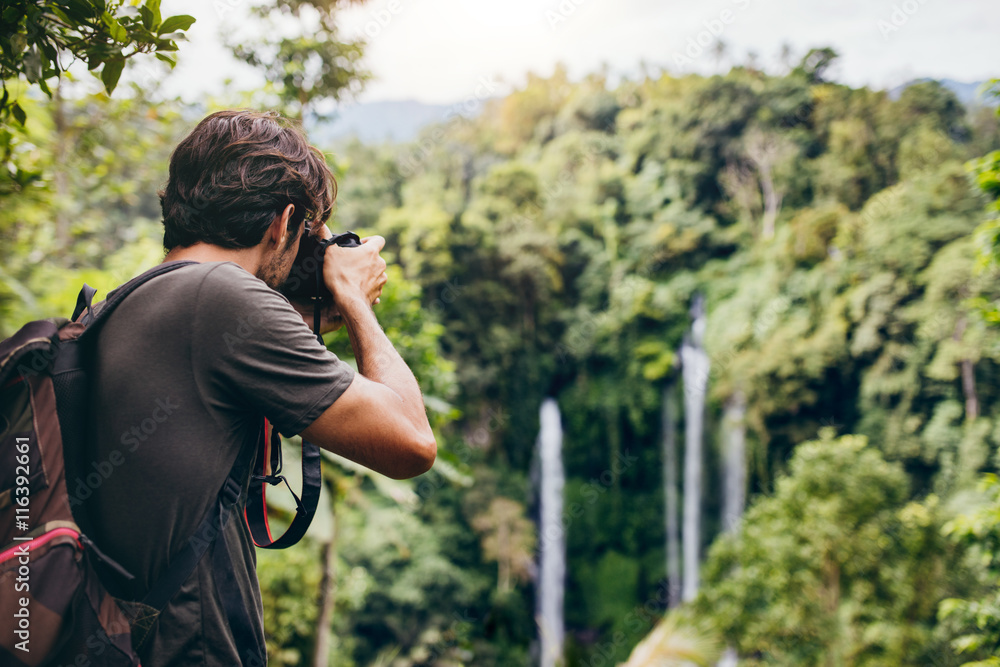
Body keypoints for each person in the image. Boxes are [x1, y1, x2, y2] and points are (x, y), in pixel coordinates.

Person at [72, 109, 436, 666]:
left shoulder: (124, 303)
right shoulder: (222, 298)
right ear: (283, 220)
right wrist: (354, 297)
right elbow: (411, 443)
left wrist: (313, 306)